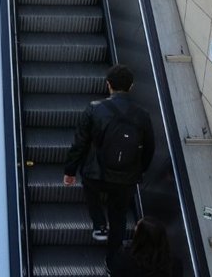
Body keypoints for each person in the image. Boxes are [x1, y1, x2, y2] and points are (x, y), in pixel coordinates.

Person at [63, 64, 155, 250]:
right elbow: (149, 148)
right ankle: (113, 258)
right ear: (131, 87)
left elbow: (80, 143)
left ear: (108, 85)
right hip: (125, 178)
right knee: (119, 215)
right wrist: (138, 171)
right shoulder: (143, 115)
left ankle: (99, 225)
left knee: (89, 188)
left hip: (96, 174)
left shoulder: (94, 109)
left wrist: (70, 171)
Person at [107, 216, 184, 276]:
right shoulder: (174, 263)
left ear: (140, 236)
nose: (134, 228)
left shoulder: (125, 258)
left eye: (137, 226)